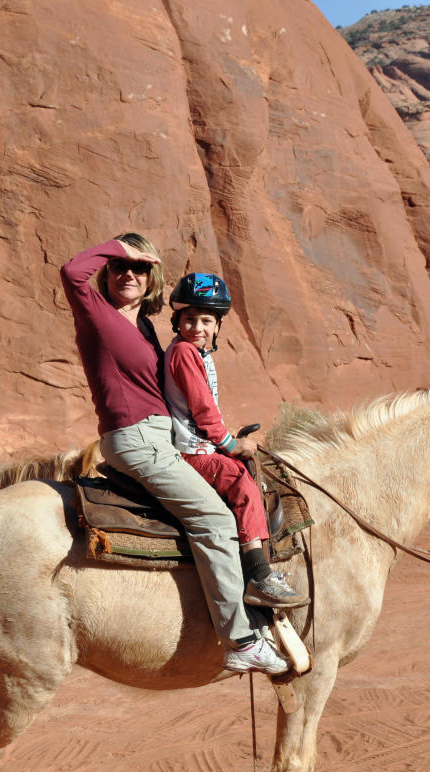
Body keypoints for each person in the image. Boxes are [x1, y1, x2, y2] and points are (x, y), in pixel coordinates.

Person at [60, 234, 289, 676]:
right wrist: (124, 250)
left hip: (164, 438)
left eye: (141, 270)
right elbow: (72, 272)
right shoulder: (97, 313)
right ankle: (240, 640)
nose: (129, 274)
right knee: (214, 520)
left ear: (153, 281)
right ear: (106, 272)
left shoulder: (145, 327)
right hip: (136, 439)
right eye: (120, 267)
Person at [163, 273, 309, 609]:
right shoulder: (185, 352)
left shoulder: (195, 353)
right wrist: (230, 445)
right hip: (193, 452)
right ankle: (259, 575)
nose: (196, 327)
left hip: (201, 445)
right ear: (177, 321)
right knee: (242, 482)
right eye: (188, 319)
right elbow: (203, 411)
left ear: (217, 326)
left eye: (205, 321)